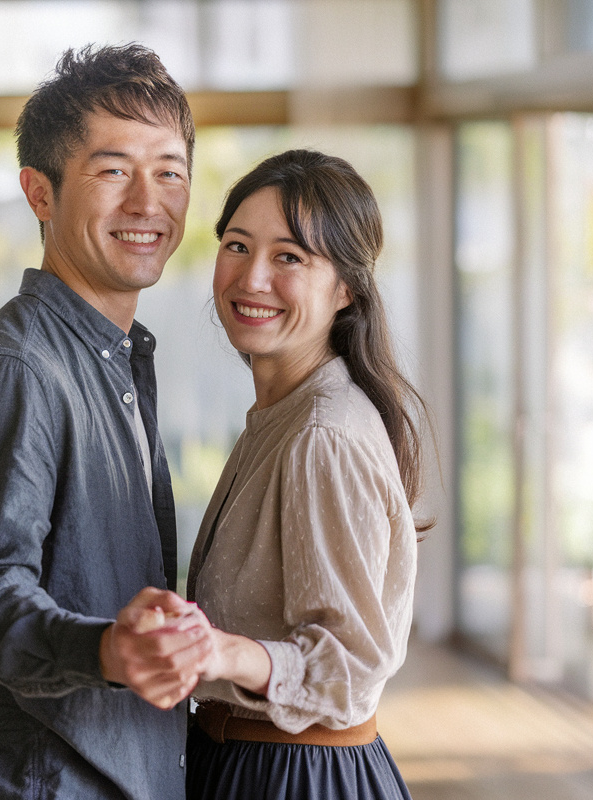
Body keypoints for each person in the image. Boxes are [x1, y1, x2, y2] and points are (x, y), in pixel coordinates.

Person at [0, 43, 210, 799]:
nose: (149, 203)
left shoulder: (117, 357)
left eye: (170, 172)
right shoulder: (16, 370)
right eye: (113, 170)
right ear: (39, 193)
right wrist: (111, 650)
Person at [180, 149, 431, 799]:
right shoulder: (283, 412)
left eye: (289, 257)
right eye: (237, 245)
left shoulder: (322, 435)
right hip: (249, 763)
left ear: (346, 287)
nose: (251, 277)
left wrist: (224, 653)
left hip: (293, 776)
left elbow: (348, 669)